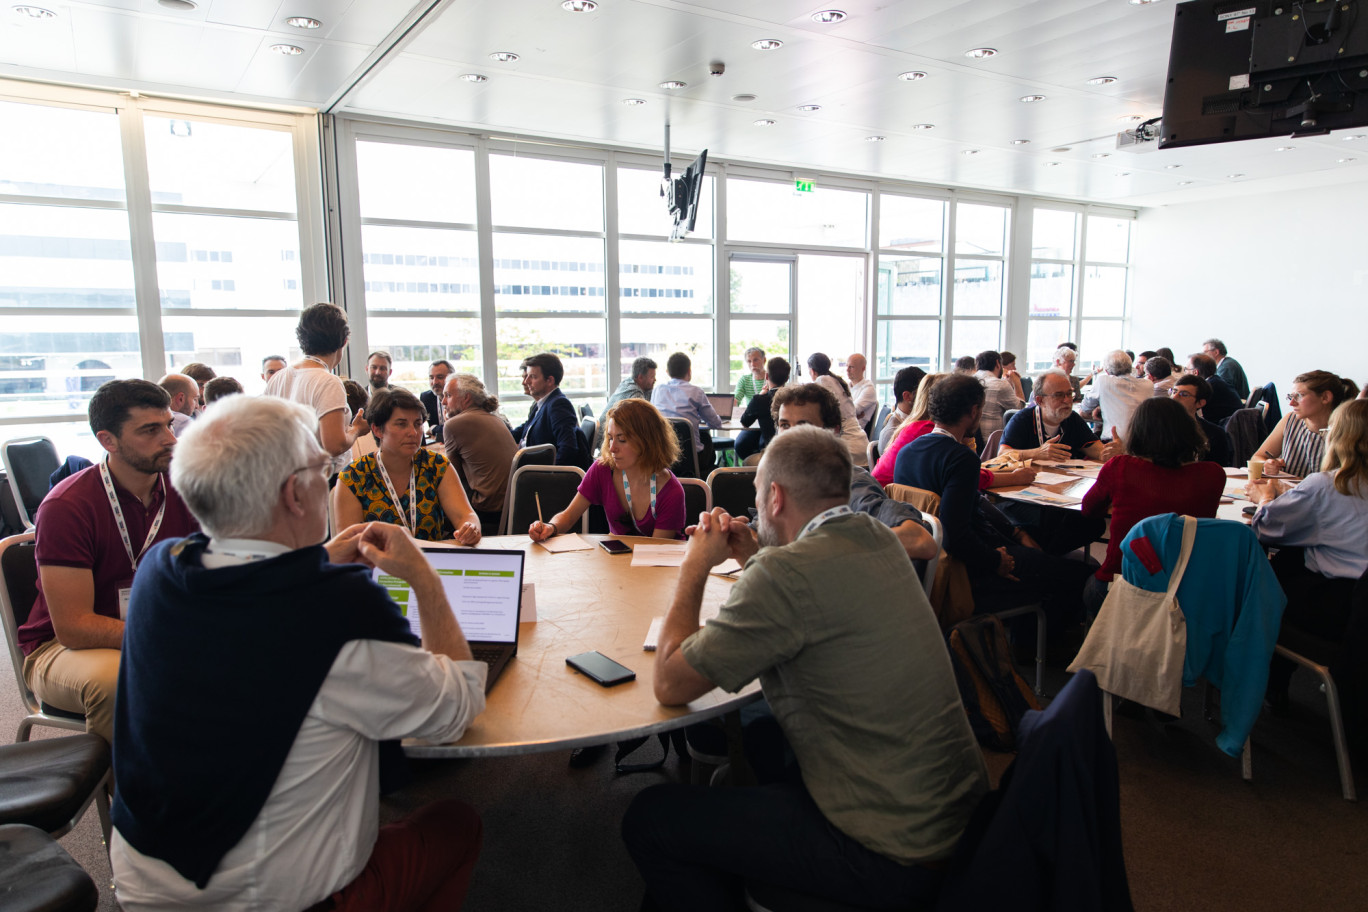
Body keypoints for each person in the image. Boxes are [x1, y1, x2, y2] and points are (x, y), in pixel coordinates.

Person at [110, 394, 485, 911]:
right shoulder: (336, 610)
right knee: (457, 823)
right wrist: (424, 578)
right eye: (322, 469)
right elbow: (455, 711)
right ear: (295, 493)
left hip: (145, 883)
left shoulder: (161, 569)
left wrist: (317, 559)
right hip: (275, 899)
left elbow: (250, 606)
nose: (328, 479)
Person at [623, 427, 988, 911]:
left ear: (774, 496)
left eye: (757, 496)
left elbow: (669, 682)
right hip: (959, 824)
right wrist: (754, 554)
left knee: (649, 818)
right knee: (764, 748)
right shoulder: (878, 538)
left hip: (889, 855)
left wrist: (695, 565)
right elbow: (811, 595)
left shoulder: (785, 575)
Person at [16, 380, 199, 743]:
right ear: (108, 441)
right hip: (63, 648)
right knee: (117, 680)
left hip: (156, 629)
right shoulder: (68, 507)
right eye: (150, 430)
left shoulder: (184, 490)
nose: (170, 439)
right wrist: (168, 636)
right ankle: (131, 795)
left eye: (167, 424)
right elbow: (73, 626)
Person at [894, 374, 1094, 624]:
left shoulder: (908, 451)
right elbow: (956, 533)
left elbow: (970, 506)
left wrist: (1016, 532)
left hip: (927, 568)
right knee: (1086, 574)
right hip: (970, 568)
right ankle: (1043, 648)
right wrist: (996, 560)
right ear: (975, 410)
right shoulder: (960, 458)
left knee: (1044, 552)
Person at [1248, 399, 1368, 712]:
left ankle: (1266, 682)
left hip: (1335, 610)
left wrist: (1264, 498)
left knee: (1271, 582)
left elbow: (1266, 528)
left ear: (1339, 437)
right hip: (1356, 608)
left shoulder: (1328, 486)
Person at [1079, 397, 1226, 613]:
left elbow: (1089, 508)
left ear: (1138, 433)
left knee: (1089, 583)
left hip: (1123, 584)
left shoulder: (1121, 467)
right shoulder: (1213, 474)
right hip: (1186, 589)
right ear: (1189, 431)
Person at [771, 384, 937, 561]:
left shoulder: (849, 484)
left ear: (832, 432)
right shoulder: (787, 483)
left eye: (804, 425)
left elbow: (920, 540)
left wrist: (833, 546)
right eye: (785, 425)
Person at [335, 388, 480, 544]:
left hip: (432, 563)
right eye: (401, 424)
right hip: (378, 565)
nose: (413, 432)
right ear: (377, 430)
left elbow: (465, 515)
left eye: (418, 424)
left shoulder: (436, 466)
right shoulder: (354, 476)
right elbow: (348, 544)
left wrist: (470, 528)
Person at [529, 398, 685, 540]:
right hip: (620, 562)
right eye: (610, 438)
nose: (612, 448)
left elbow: (654, 554)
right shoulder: (603, 469)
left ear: (646, 442)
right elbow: (568, 516)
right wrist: (551, 527)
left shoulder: (671, 492)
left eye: (622, 440)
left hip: (657, 566)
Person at [264, 302, 369, 459]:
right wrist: (357, 429)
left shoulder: (278, 378)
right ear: (344, 341)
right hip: (323, 477)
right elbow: (334, 445)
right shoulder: (328, 382)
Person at [443, 373, 518, 531]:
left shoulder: (454, 425)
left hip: (486, 508)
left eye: (448, 395)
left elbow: (450, 475)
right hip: (512, 506)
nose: (443, 402)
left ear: (466, 398)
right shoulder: (496, 419)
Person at [1000, 369, 1123, 462]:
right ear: (1040, 400)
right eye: (1059, 395)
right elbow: (1002, 455)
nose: (1067, 400)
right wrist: (1037, 453)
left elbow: (1095, 449)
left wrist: (1108, 451)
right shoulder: (1022, 419)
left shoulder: (1072, 419)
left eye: (1069, 394)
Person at [1254, 369, 1358, 477]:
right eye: (1291, 396)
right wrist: (1267, 464)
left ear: (1325, 397)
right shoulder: (1290, 420)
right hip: (1289, 491)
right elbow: (1257, 457)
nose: (1291, 403)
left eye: (1299, 396)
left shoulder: (1347, 430)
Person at [510, 352, 591, 469]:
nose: (526, 381)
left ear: (550, 380)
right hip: (527, 468)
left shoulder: (558, 404)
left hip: (538, 475)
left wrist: (551, 476)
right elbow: (524, 430)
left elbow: (568, 447)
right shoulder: (542, 403)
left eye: (532, 377)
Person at [652, 351, 722, 473]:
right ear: (689, 371)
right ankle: (706, 480)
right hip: (691, 458)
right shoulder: (696, 392)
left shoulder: (657, 390)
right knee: (706, 437)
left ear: (668, 372)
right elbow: (716, 424)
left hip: (664, 456)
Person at [806, 352, 868, 465]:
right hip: (862, 444)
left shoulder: (822, 381)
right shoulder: (837, 380)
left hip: (848, 450)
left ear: (813, 371)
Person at [1080, 350, 1152, 442]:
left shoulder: (1103, 381)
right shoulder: (1148, 385)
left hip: (1114, 440)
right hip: (1143, 441)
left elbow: (1085, 409)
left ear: (1106, 371)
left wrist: (1101, 407)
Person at [1170, 374, 1232, 466]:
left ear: (1200, 403)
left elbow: (1219, 470)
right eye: (1174, 391)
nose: (1174, 397)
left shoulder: (1214, 434)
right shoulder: (1156, 427)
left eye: (1184, 394)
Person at [736, 356, 789, 461]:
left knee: (745, 454)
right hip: (791, 450)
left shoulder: (760, 400)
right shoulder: (794, 398)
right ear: (787, 378)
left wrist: (760, 395)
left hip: (769, 452)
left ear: (767, 376)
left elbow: (744, 422)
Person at [974, 350, 1024, 438]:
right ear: (998, 363)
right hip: (991, 443)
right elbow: (1020, 411)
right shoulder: (1000, 384)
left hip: (972, 441)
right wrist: (1017, 383)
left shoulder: (969, 380)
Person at [1182, 353, 1242, 425]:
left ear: (1195, 372)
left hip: (1221, 429)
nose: (1184, 373)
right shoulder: (1216, 381)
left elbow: (1190, 409)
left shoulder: (1208, 387)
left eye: (1186, 369)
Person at [879, 365, 926, 452]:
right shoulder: (892, 433)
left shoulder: (922, 422)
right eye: (923, 394)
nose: (927, 398)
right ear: (907, 396)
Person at [420, 359, 453, 444]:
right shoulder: (425, 397)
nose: (434, 382)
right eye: (431, 378)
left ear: (452, 377)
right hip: (438, 445)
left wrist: (434, 428)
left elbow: (456, 429)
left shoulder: (459, 398)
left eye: (440, 377)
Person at [846, 352, 878, 429]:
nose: (847, 370)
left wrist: (852, 414)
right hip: (844, 428)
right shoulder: (846, 386)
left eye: (851, 367)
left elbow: (852, 410)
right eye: (847, 366)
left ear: (863, 368)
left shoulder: (868, 388)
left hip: (853, 433)